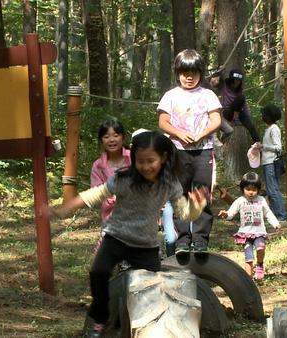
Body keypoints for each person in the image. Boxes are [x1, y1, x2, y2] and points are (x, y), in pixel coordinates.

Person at [48, 131, 208, 338]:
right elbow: (96, 193)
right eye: (140, 161)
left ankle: (149, 328)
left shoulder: (170, 184)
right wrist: (67, 208)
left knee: (153, 288)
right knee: (98, 272)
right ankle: (100, 318)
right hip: (116, 237)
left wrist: (197, 206)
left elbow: (184, 214)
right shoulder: (125, 180)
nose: (146, 166)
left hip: (146, 245)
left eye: (151, 161)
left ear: (164, 158)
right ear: (134, 160)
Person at [157, 49, 222, 255]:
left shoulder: (208, 95)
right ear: (178, 73)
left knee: (201, 194)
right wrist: (178, 133)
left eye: (193, 73)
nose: (189, 77)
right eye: (185, 72)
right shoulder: (171, 96)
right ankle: (182, 240)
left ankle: (201, 240)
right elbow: (163, 122)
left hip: (203, 151)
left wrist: (203, 134)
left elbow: (216, 120)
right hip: (177, 151)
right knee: (179, 194)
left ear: (200, 74)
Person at [218, 172, 280, 280]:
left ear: (258, 190)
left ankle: (260, 265)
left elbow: (268, 213)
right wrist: (225, 214)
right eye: (248, 189)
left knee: (261, 247)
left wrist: (275, 223)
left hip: (259, 232)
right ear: (242, 189)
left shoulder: (261, 200)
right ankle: (248, 280)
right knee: (249, 257)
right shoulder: (240, 201)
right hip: (245, 234)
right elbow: (231, 213)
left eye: (254, 189)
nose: (251, 192)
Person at [90, 119, 131, 226]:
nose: (112, 140)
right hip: (111, 219)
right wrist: (112, 197)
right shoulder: (98, 166)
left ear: (123, 137)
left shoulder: (133, 158)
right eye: (106, 137)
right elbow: (96, 192)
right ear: (101, 141)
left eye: (116, 135)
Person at [256, 104, 287, 223]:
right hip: (267, 162)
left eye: (264, 115)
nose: (262, 116)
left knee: (273, 190)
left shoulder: (274, 129)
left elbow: (278, 148)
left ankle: (281, 216)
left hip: (271, 163)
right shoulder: (269, 129)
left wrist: (263, 146)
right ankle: (274, 215)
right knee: (270, 190)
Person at [220, 69, 261, 143]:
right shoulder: (224, 85)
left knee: (251, 125)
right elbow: (214, 80)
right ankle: (233, 121)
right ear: (231, 80)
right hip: (227, 112)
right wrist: (221, 70)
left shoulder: (239, 91)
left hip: (238, 112)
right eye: (235, 80)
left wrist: (247, 117)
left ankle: (257, 144)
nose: (237, 83)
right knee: (240, 99)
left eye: (239, 81)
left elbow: (243, 105)